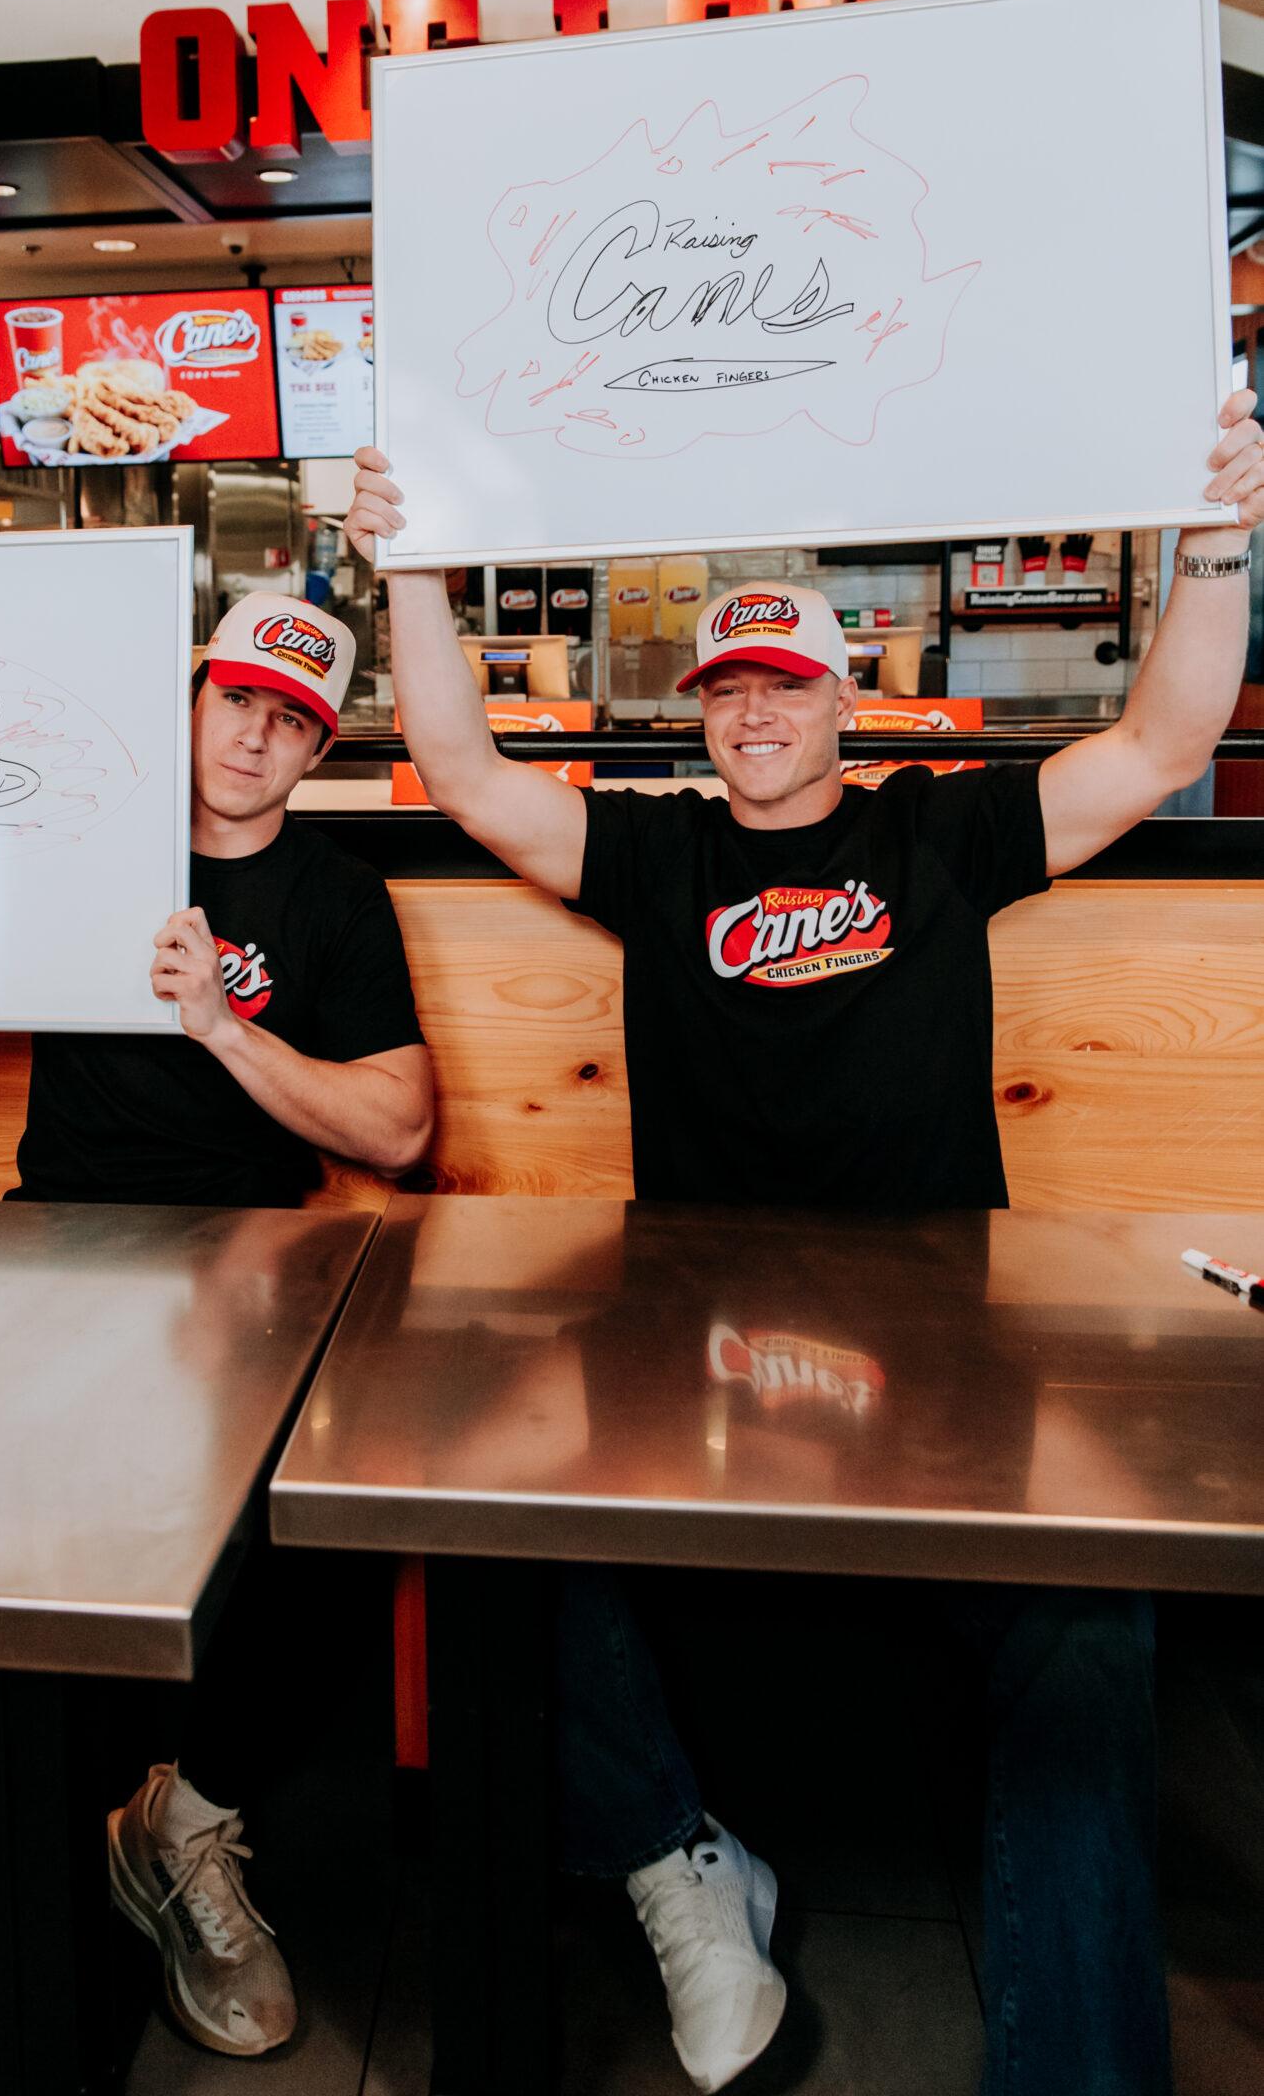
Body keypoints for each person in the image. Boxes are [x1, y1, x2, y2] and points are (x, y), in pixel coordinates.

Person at [346, 385, 1264, 2096]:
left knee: (1093, 1634)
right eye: (728, 688)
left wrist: (1215, 539)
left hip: (952, 1349)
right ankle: (687, 1864)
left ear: (845, 697)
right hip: (684, 1348)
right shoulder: (656, 852)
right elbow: (464, 773)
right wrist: (412, 564)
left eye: (785, 682)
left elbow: (1156, 743)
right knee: (499, 1548)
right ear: (699, 716)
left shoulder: (942, 833)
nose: (755, 711)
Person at [0, 592, 434, 2061]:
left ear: (318, 747)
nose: (254, 735)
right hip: (63, 1237)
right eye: (236, 699)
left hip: (255, 1259)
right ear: (186, 702)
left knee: (349, 1509)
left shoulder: (337, 899)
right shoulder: (73, 848)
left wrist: (226, 1027)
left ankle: (183, 1821)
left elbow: (404, 1126)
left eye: (291, 718)